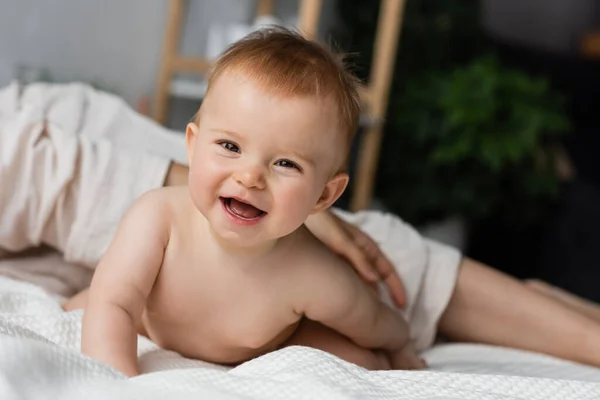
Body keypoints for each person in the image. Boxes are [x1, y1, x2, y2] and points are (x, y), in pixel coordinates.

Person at [2, 29, 600, 377]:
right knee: (82, 307)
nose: (251, 176)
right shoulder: (158, 218)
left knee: (357, 353)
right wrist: (119, 386)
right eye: (229, 147)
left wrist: (401, 353)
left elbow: (376, 320)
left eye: (285, 163)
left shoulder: (311, 270)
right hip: (159, 323)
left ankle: (543, 308)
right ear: (193, 144)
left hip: (265, 340)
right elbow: (115, 304)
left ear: (325, 196)